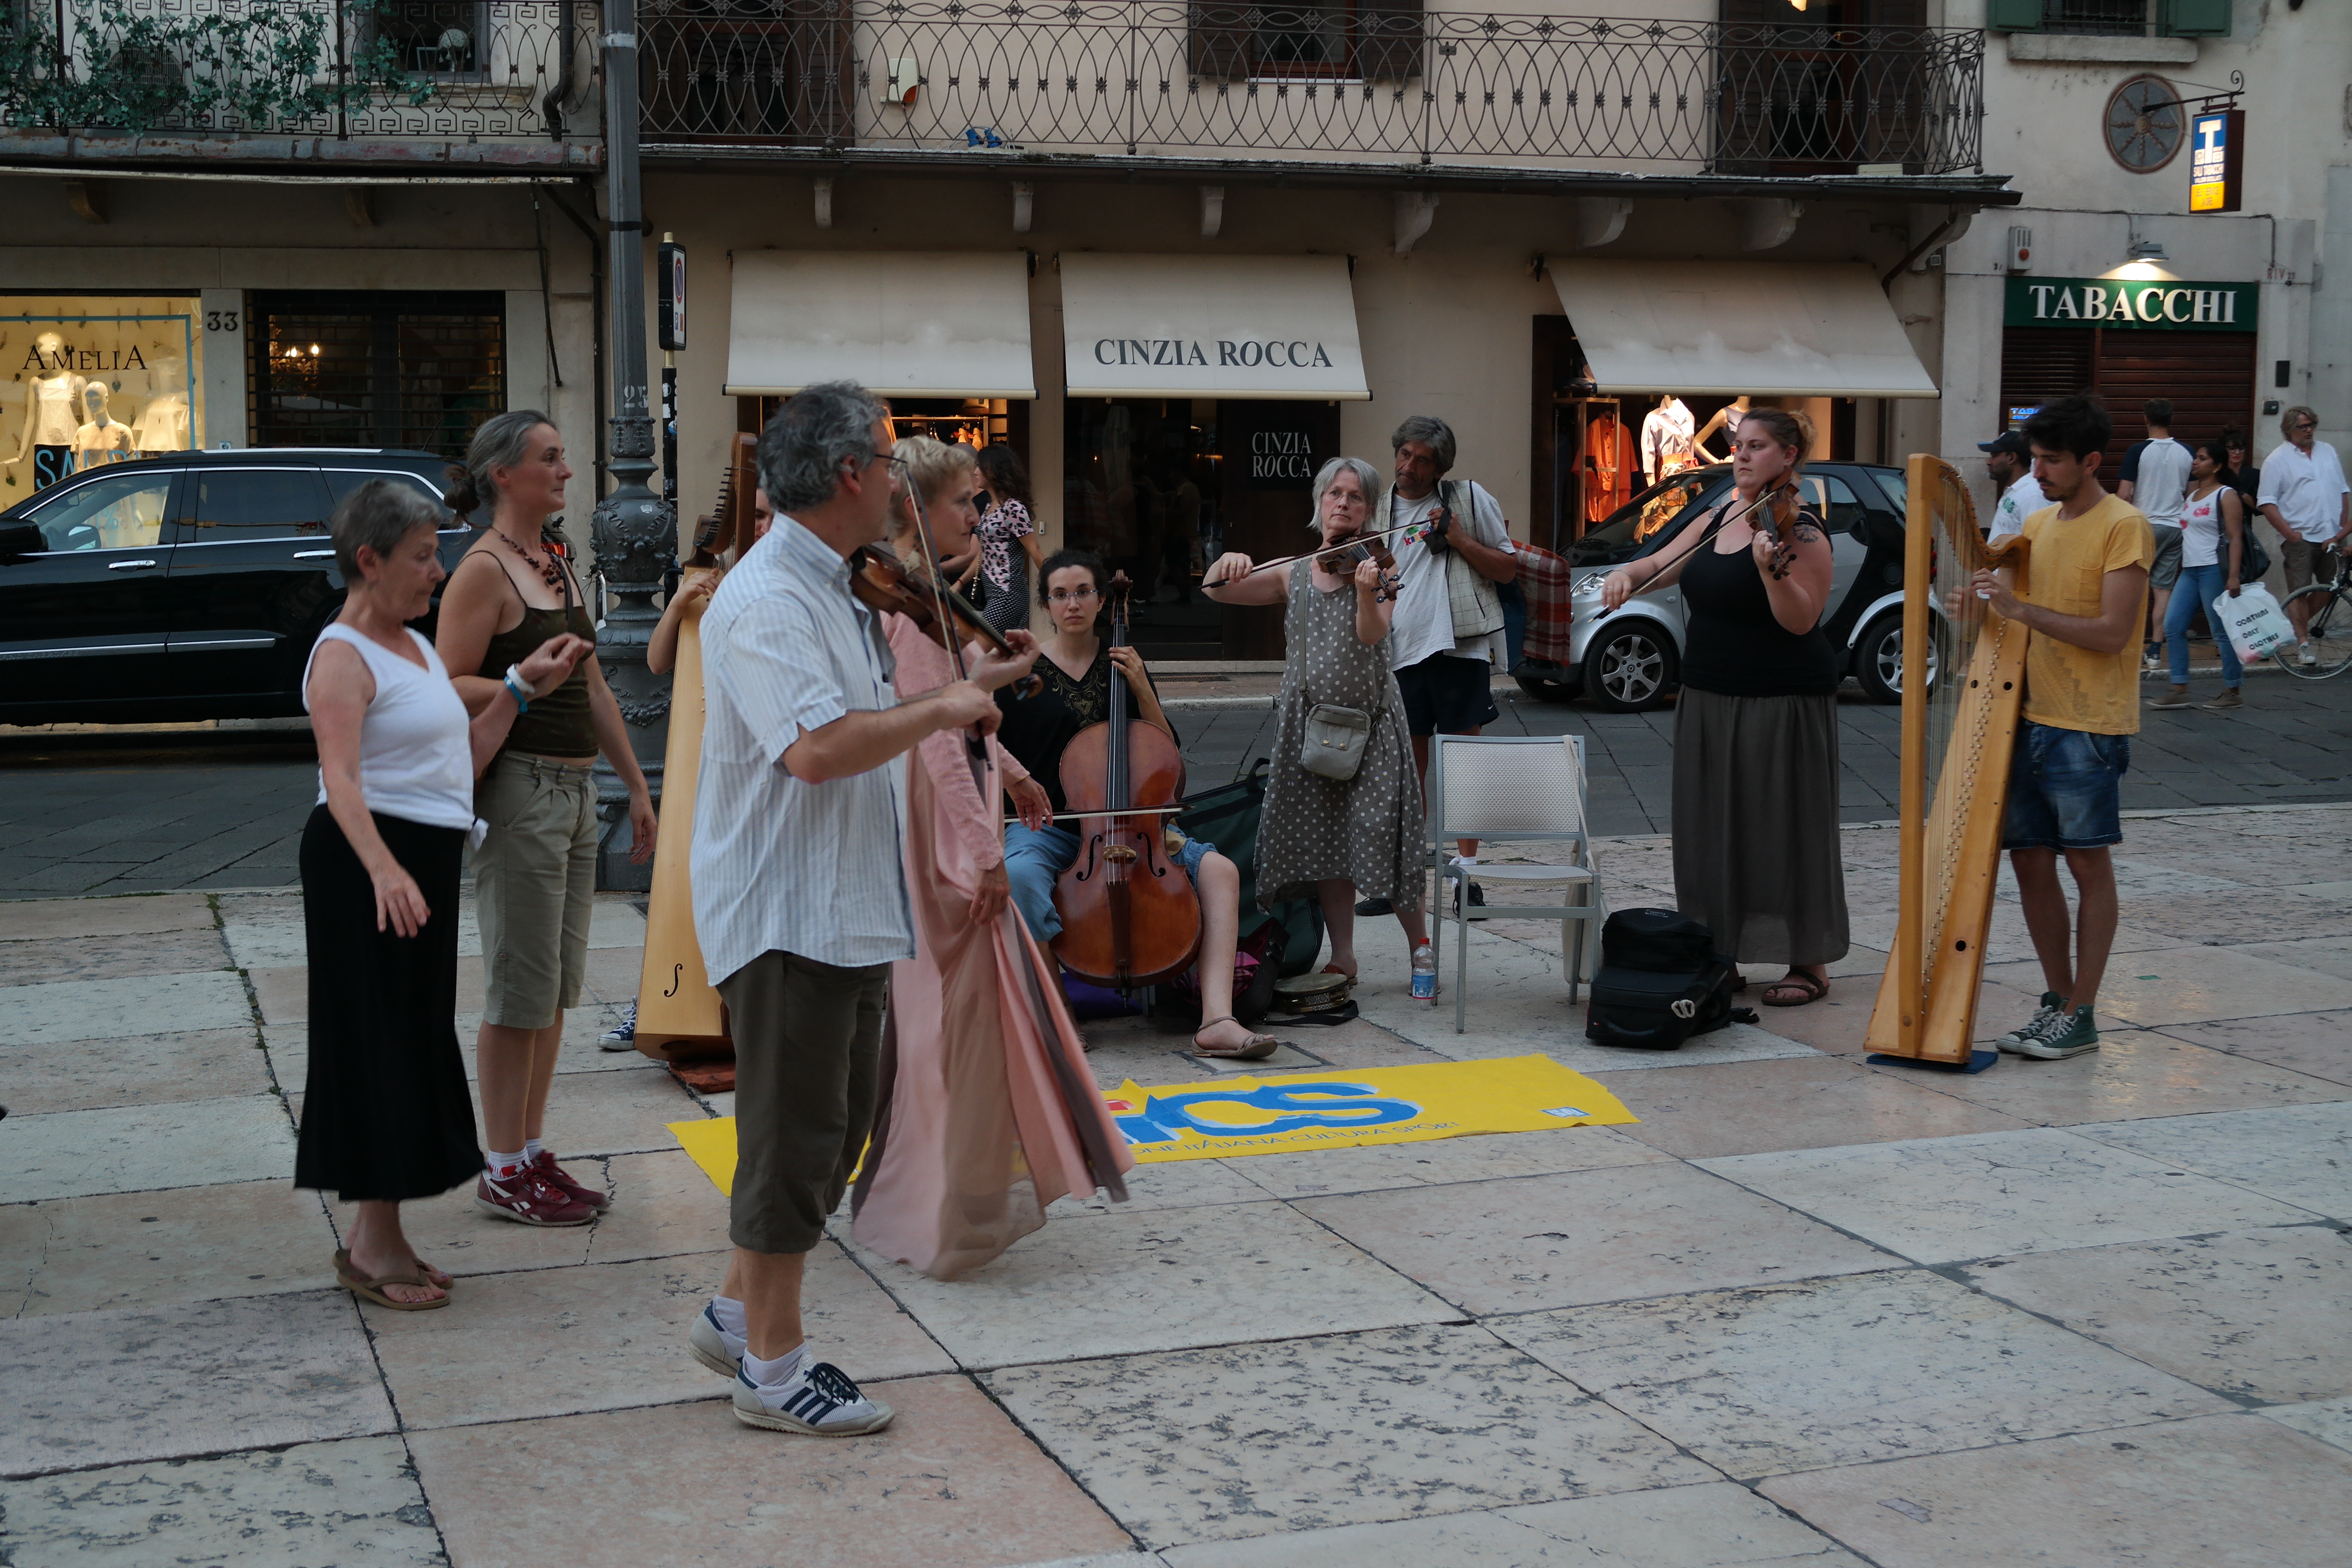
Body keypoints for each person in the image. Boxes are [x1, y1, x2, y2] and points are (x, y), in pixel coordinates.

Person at [686, 382, 1034, 1437]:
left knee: (826, 1131)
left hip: (840, 901)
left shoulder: (839, 585)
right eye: (889, 462)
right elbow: (818, 747)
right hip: (785, 906)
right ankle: (775, 1369)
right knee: (792, 1140)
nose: (898, 480)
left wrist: (961, 675)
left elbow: (873, 717)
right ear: (849, 474)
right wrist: (940, 704)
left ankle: (736, 1311)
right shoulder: (765, 599)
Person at [298, 481, 589, 1308]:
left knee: (410, 1037)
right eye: (423, 556)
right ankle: (373, 1243)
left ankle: (379, 1237)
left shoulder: (413, 646)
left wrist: (521, 690)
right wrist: (384, 868)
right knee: (376, 1042)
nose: (438, 571)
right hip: (366, 864)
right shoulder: (342, 654)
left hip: (415, 858)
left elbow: (460, 756)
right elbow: (341, 779)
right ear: (369, 560)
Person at [846, 440, 1133, 1280]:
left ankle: (938, 1200)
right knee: (966, 1022)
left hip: (933, 817)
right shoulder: (908, 602)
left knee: (949, 1019)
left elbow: (953, 712)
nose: (979, 517)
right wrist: (986, 855)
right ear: (921, 511)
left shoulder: (913, 598)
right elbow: (938, 736)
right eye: (965, 503)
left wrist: (1009, 766)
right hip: (943, 832)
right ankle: (953, 1212)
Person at [433, 412, 657, 1225]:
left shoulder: (554, 559)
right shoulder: (483, 571)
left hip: (573, 792)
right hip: (519, 790)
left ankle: (529, 1150)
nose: (567, 470)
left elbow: (596, 685)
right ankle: (500, 1163)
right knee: (518, 987)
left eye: (565, 456)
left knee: (555, 988)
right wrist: (518, 685)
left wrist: (634, 785)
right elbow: (447, 680)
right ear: (503, 473)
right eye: (551, 458)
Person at [1600, 407, 1846, 1007]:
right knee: (1713, 831)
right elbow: (1662, 564)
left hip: (1780, 698)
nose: (1741, 454)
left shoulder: (1802, 531)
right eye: (1739, 445)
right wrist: (1625, 575)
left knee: (1783, 830)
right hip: (1708, 695)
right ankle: (1721, 952)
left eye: (1757, 446)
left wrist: (1771, 575)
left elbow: (1802, 618)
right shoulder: (1721, 513)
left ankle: (1808, 961)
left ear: (1788, 456)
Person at [994, 547, 1280, 1058]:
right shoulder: (1021, 673)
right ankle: (1055, 1013)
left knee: (1219, 871)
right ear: (1046, 605)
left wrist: (1143, 687)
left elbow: (1168, 762)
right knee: (1019, 877)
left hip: (1134, 825)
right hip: (1050, 827)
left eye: (1083, 592)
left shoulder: (1123, 664)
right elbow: (981, 740)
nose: (1073, 604)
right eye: (1060, 595)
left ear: (1103, 600)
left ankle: (1216, 1017)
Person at [1203, 457, 1432, 982]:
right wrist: (1229, 561)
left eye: (1355, 497)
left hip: (1371, 726)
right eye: (1335, 494)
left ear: (1369, 509)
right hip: (1311, 729)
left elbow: (1374, 634)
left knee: (1384, 833)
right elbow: (1216, 591)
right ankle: (1343, 955)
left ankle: (1419, 946)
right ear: (1320, 502)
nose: (1343, 504)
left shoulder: (1380, 566)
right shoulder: (1292, 570)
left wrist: (1365, 590)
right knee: (1329, 839)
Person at [1974, 396, 2153, 1061]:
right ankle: (2058, 1000)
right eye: (2037, 459)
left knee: (2087, 864)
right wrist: (1983, 604)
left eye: (2052, 460)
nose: (2039, 471)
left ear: (2092, 462)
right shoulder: (2039, 524)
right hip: (2025, 716)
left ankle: (2084, 1009)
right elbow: (2006, 616)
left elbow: (2111, 633)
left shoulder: (2124, 526)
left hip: (2087, 722)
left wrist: (2021, 610)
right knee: (2029, 863)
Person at [600, 486, 777, 1052]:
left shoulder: (783, 588)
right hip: (703, 754)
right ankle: (654, 1001)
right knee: (682, 881)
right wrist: (679, 603)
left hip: (762, 759)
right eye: (753, 516)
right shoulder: (704, 584)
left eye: (769, 516)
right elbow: (656, 661)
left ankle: (748, 1008)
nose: (761, 526)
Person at [1355, 414, 1519, 919]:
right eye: (1405, 454)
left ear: (1440, 466)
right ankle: (1401, 879)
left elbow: (1507, 568)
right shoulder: (1377, 509)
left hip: (1456, 649)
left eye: (1422, 459)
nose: (1409, 466)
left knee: (1465, 771)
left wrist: (1459, 538)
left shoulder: (1468, 499)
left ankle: (1467, 878)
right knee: (1407, 775)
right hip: (1398, 654)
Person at [2151, 441, 2248, 713]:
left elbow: (2235, 537)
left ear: (2216, 466)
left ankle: (2232, 689)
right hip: (2190, 569)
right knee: (2173, 625)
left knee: (2220, 630)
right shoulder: (2192, 494)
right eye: (2196, 458)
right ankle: (2178, 688)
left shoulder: (2226, 495)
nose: (2195, 462)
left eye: (2202, 459)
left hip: (2213, 569)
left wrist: (2233, 576)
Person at [2257, 405, 2351, 665]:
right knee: (2299, 590)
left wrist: (2341, 529)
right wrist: (2289, 535)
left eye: (2312, 425)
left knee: (2333, 586)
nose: (2309, 430)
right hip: (2301, 536)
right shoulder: (2277, 460)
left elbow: (2343, 491)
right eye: (2303, 426)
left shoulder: (2328, 451)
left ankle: (2285, 631)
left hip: (2332, 535)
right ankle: (2303, 644)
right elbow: (2266, 502)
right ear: (2289, 430)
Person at [2115, 400, 2192, 671]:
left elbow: (2124, 494)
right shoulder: (2187, 452)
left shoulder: (2138, 451)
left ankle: (2130, 647)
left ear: (2146, 418)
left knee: (2132, 589)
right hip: (2175, 528)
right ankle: (2156, 652)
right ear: (2171, 419)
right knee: (2163, 591)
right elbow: (2192, 495)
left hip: (2144, 526)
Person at [972, 444, 1042, 637]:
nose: (975, 471)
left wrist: (1052, 590)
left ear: (993, 470)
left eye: (980, 466)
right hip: (995, 593)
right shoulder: (989, 507)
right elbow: (984, 553)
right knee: (1004, 653)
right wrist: (961, 583)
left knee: (980, 642)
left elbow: (1035, 549)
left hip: (1008, 593)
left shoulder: (1012, 507)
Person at [1981, 429, 2045, 544]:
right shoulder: (2017, 490)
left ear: (2012, 458)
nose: (1989, 462)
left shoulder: (2032, 495)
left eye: (1995, 456)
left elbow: (2036, 545)